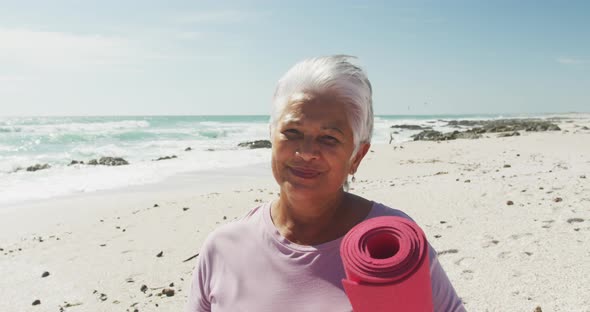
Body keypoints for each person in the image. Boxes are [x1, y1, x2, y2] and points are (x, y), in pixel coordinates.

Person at [186, 55, 465, 311]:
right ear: (271, 136)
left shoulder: (391, 242)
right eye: (292, 132)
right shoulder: (223, 248)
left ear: (357, 155)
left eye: (329, 138)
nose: (306, 151)